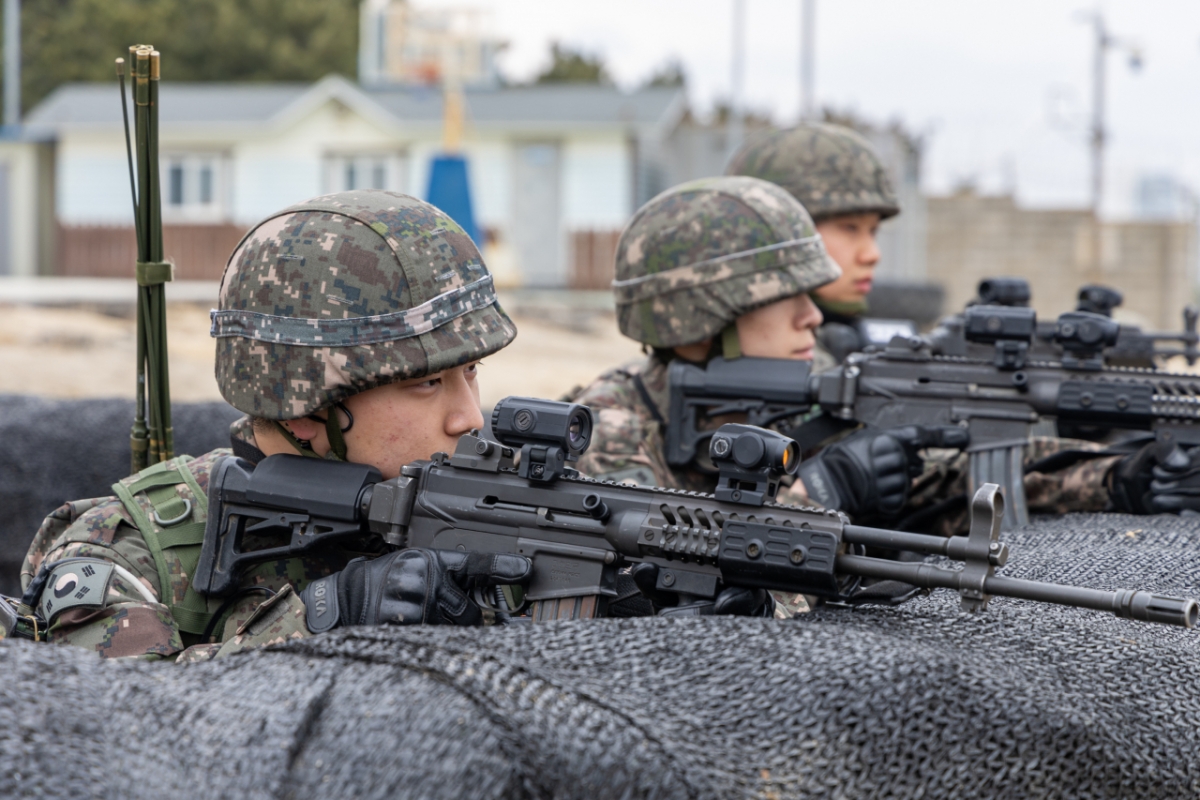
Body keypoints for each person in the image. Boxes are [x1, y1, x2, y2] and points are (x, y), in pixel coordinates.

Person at [13, 190, 533, 661]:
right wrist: (320, 620)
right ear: (305, 407)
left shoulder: (493, 523)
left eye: (471, 372)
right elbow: (106, 726)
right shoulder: (129, 550)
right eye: (427, 384)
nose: (469, 417)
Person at [725, 121, 899, 372]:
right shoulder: (754, 353)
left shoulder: (849, 342)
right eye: (850, 228)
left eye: (873, 231)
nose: (872, 255)